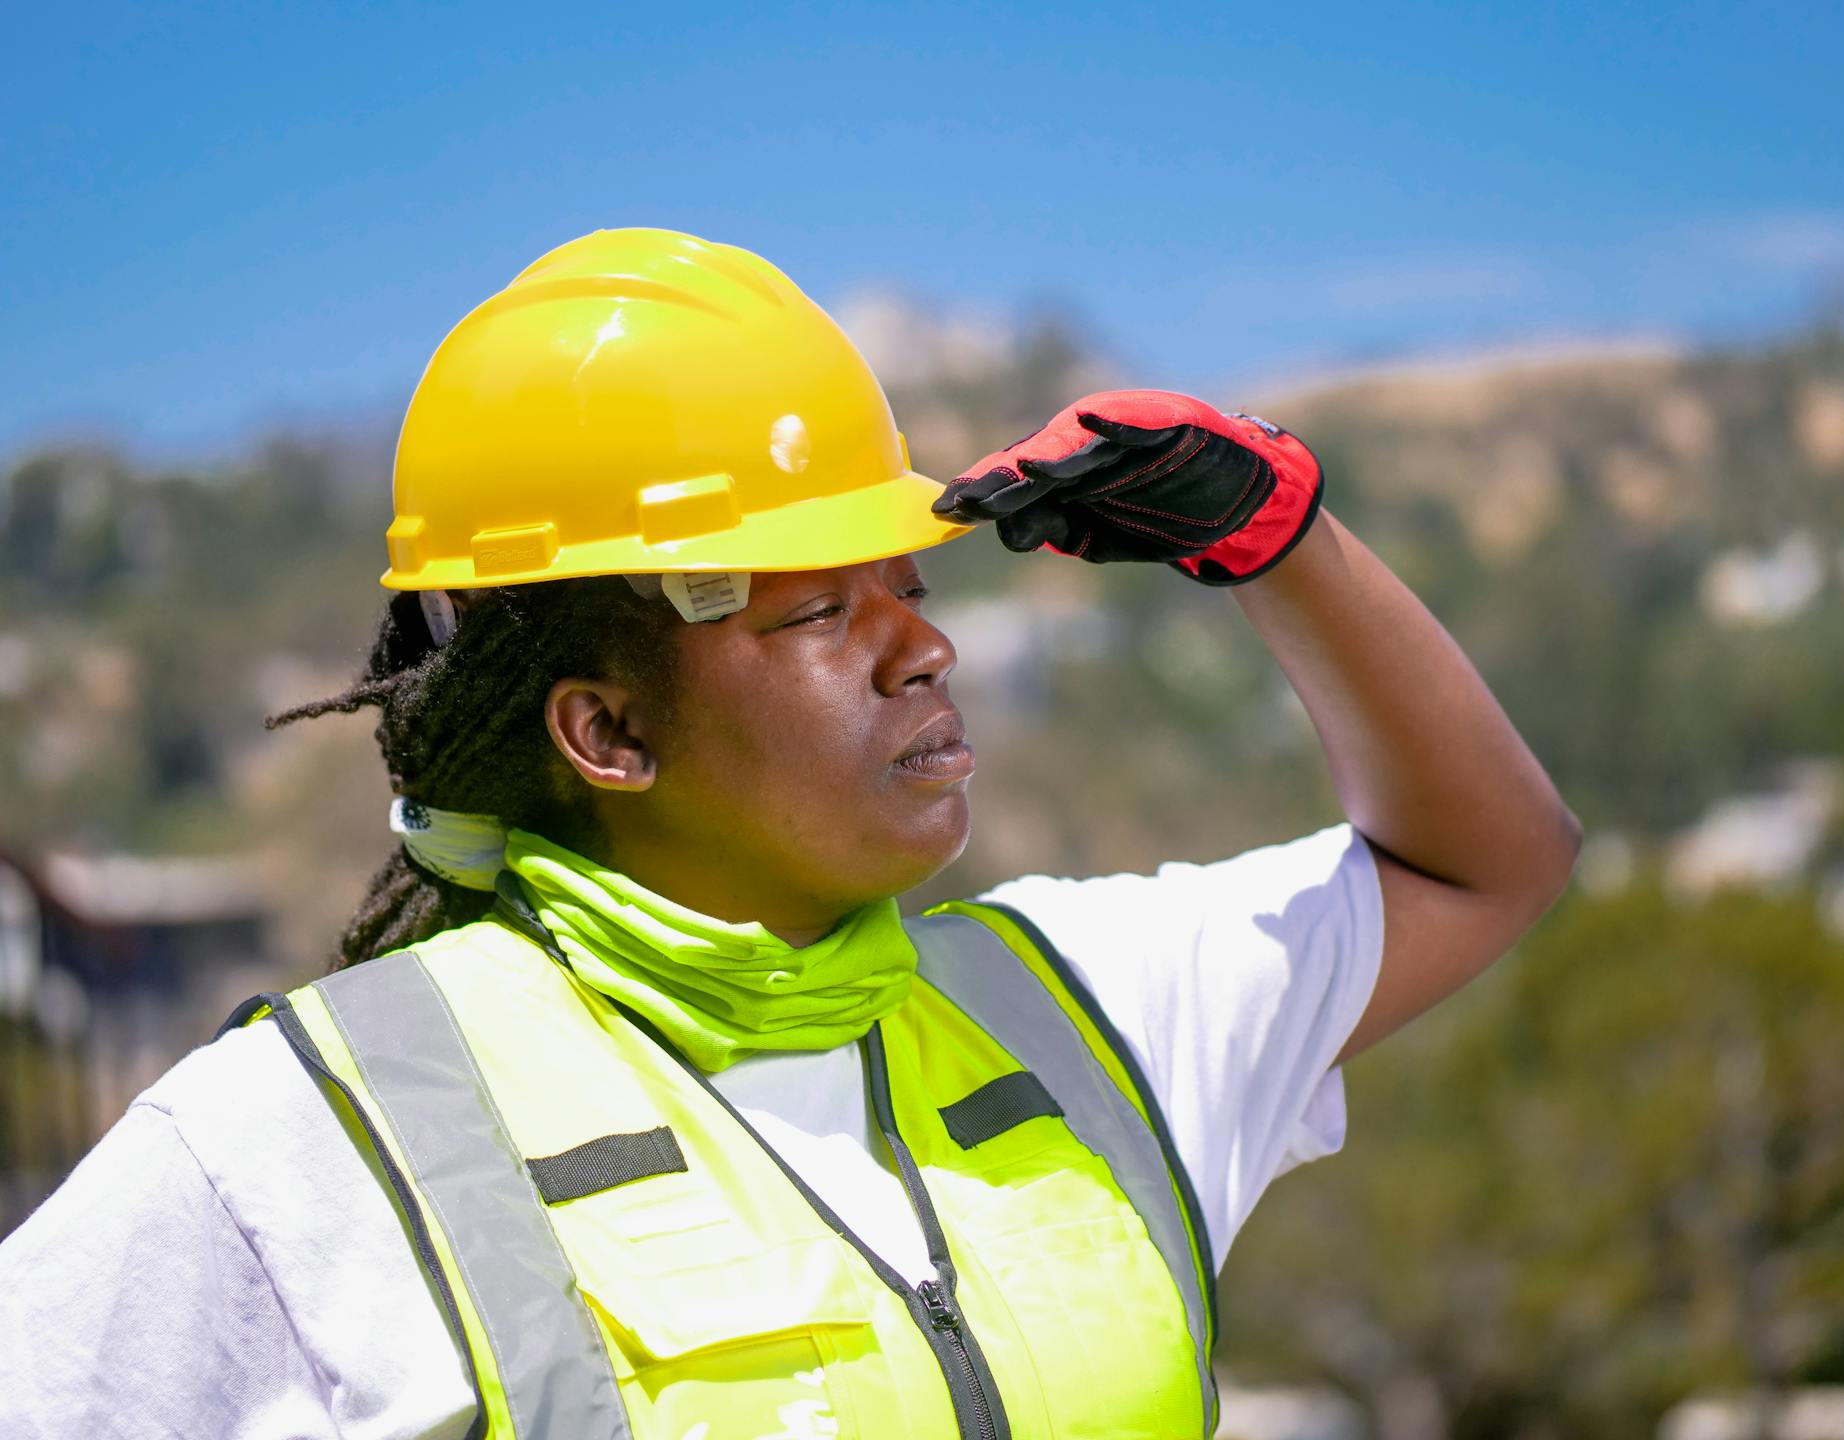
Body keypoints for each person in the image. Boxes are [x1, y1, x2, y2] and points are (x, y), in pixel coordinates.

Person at [0, 229, 1580, 1440]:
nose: (923, 651)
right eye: (821, 609)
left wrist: (1278, 543)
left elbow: (1482, 859)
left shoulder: (1083, 1009)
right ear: (607, 732)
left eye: (914, 589)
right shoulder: (312, 1139)